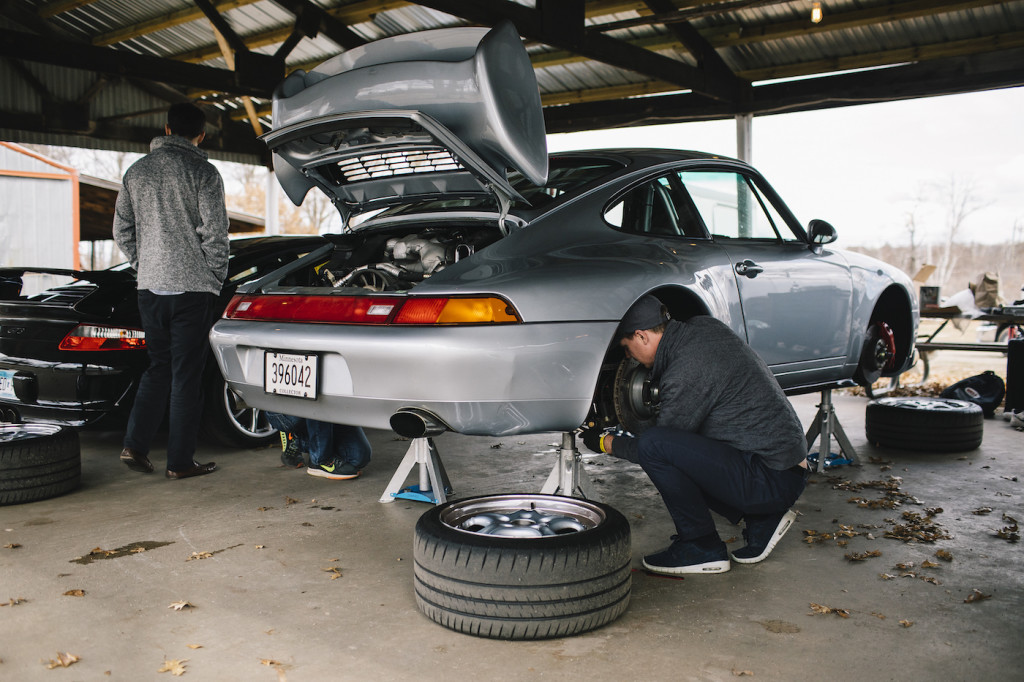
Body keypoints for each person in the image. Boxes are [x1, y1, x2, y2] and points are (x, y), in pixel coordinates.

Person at [579, 295, 809, 575]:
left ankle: (701, 546)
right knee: (676, 446)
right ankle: (762, 518)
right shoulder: (704, 328)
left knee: (656, 448)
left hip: (770, 478)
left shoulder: (685, 371)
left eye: (626, 349)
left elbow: (660, 445)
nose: (628, 357)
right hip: (784, 467)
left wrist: (607, 443)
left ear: (641, 336)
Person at [112, 102, 230, 480]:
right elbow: (215, 234)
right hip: (192, 290)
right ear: (201, 135)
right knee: (186, 376)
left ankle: (135, 445)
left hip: (150, 288)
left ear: (165, 129)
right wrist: (213, 278)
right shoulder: (204, 172)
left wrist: (142, 264)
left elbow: (121, 231)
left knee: (157, 368)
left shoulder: (137, 172)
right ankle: (179, 463)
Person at [266, 413, 371, 480]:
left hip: (328, 406)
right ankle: (320, 459)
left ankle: (303, 438)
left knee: (358, 457)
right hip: (286, 409)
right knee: (316, 396)